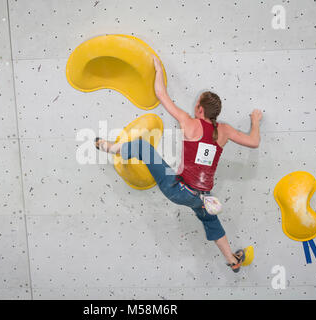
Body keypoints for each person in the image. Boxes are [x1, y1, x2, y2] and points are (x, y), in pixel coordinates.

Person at [95, 55, 263, 272]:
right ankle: (232, 260)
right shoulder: (225, 131)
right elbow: (254, 142)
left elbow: (160, 94)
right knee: (211, 222)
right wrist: (255, 121)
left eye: (196, 103)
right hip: (203, 197)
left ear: (200, 109)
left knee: (143, 147)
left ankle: (109, 148)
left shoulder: (190, 122)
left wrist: (158, 69)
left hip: (178, 189)